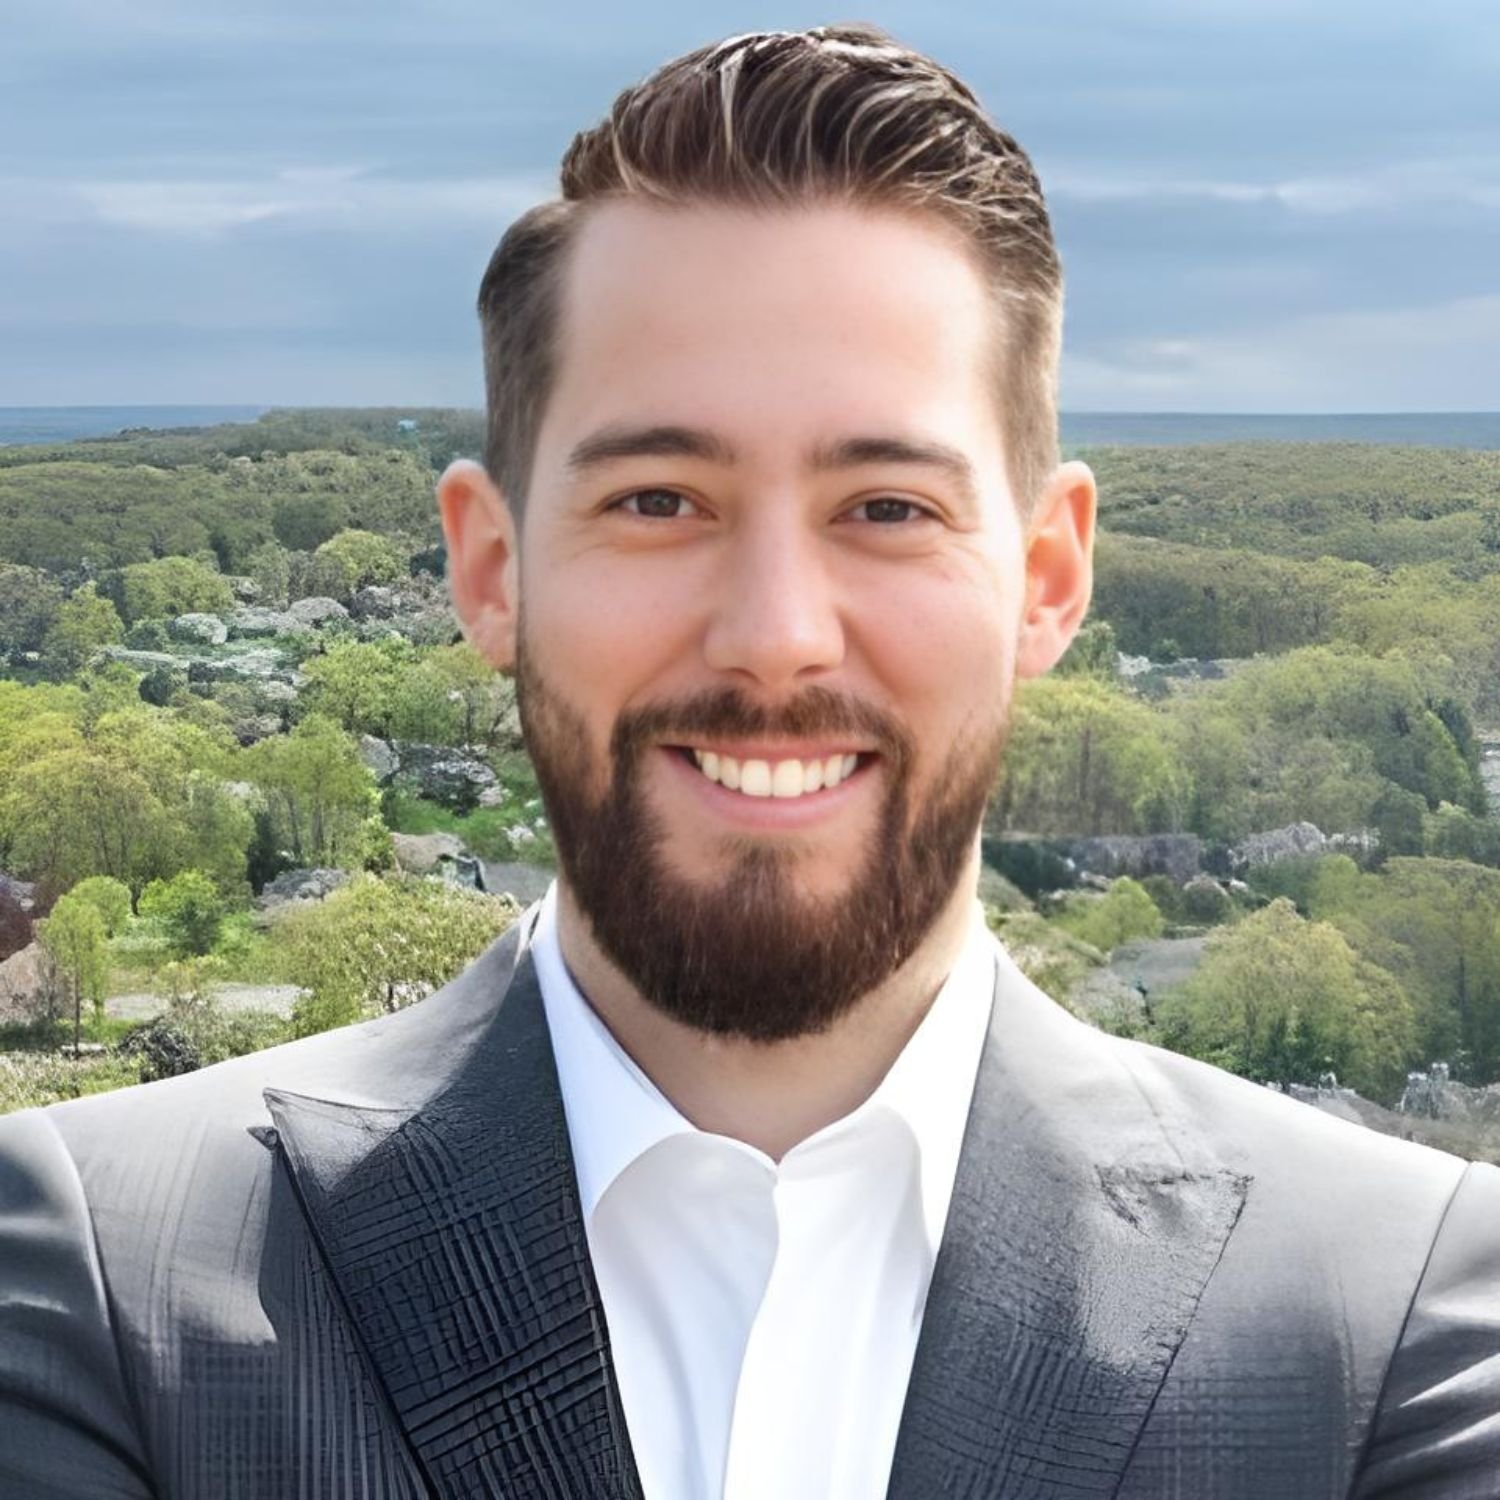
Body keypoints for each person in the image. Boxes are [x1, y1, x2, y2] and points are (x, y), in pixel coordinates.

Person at [1, 23, 1497, 1500]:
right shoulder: (106, 1280)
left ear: (1047, 580)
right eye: (659, 500)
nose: (775, 637)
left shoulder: (1390, 1319)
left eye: (888, 508)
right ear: (492, 571)